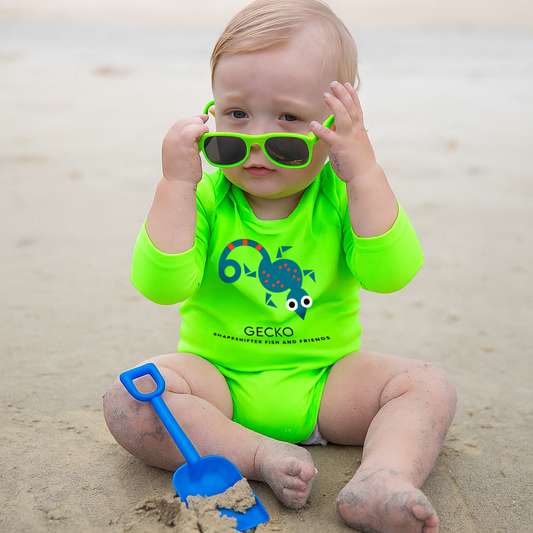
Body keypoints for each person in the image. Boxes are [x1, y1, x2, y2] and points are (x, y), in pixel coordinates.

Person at [103, 1, 457, 531]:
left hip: (326, 381)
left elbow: (392, 274)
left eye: (288, 118)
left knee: (428, 386)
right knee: (129, 397)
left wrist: (363, 174)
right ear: (211, 111)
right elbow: (161, 285)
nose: (255, 141)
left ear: (334, 124)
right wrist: (176, 186)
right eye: (237, 114)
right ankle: (253, 454)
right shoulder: (205, 197)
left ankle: (381, 476)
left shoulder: (341, 195)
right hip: (217, 383)